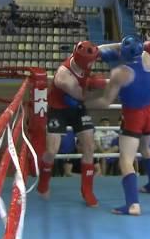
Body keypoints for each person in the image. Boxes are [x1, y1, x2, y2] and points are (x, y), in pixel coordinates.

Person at [85, 34, 150, 216]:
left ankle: (132, 205)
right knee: (146, 149)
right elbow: (130, 50)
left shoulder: (119, 73)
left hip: (133, 115)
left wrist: (83, 103)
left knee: (126, 160)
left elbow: (106, 102)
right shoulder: (146, 57)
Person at [36, 40, 107, 207]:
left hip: (77, 108)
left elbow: (104, 49)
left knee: (89, 146)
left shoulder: (86, 56)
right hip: (58, 108)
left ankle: (87, 190)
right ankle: (44, 181)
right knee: (52, 150)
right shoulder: (63, 77)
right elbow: (82, 96)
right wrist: (93, 85)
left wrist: (124, 46)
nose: (92, 64)